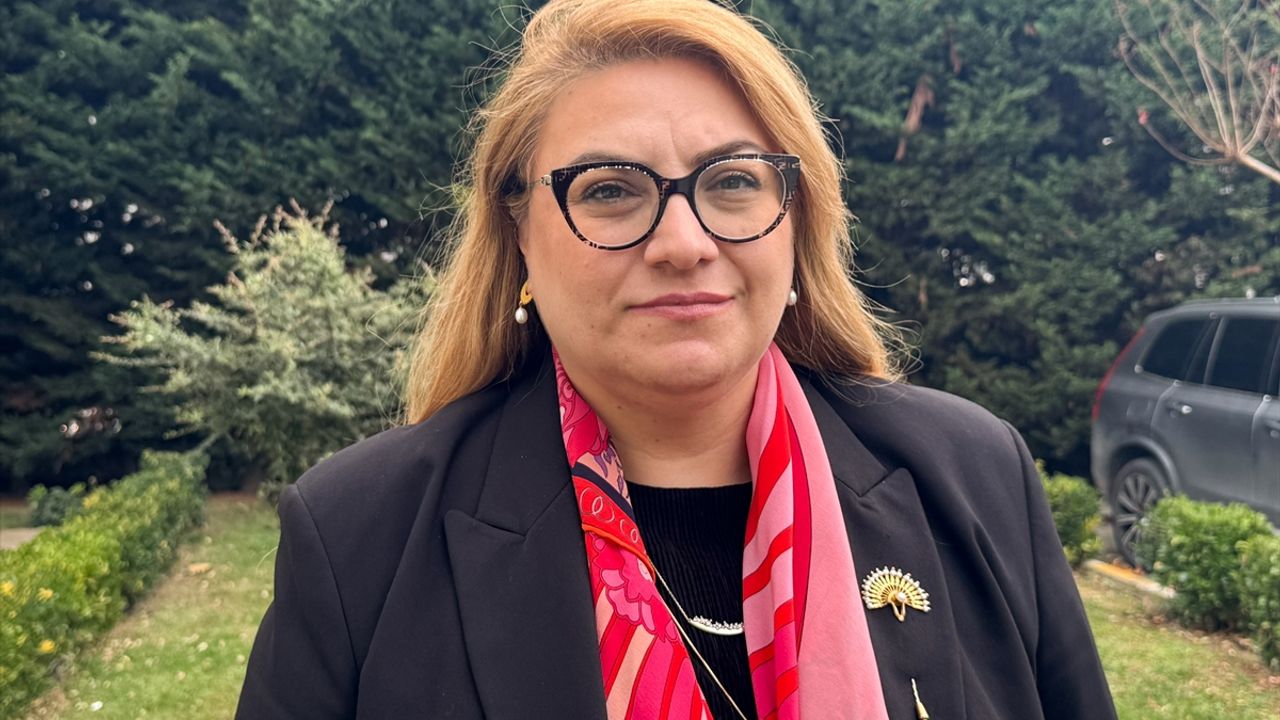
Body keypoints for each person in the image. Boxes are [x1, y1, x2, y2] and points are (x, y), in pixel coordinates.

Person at [236, 0, 1117, 718]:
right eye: (610, 190)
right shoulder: (360, 535)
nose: (684, 243)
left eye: (732, 181)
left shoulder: (974, 475)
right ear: (519, 233)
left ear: (796, 218)